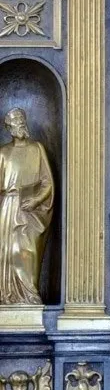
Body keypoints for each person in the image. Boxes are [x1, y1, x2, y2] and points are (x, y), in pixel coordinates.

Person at [0, 108, 54, 305]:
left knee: (27, 251)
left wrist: (36, 200)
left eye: (22, 119)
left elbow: (47, 182)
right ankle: (7, 294)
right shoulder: (3, 153)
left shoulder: (37, 149)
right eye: (16, 121)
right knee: (8, 252)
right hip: (8, 208)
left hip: (30, 210)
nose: (20, 123)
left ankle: (29, 294)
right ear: (9, 128)